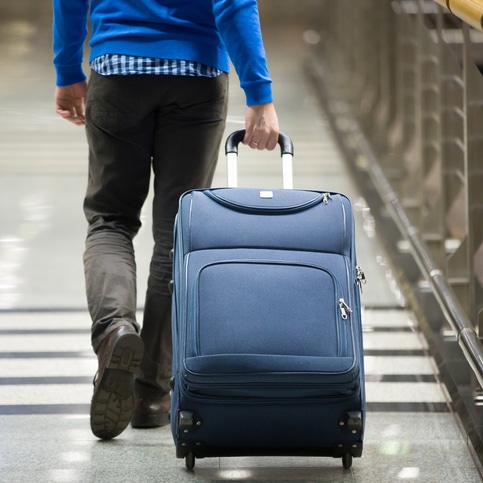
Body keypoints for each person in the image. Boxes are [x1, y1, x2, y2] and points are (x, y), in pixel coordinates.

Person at [52, 0, 279, 440]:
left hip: (117, 67)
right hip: (196, 73)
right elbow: (234, 4)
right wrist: (259, 93)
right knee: (177, 234)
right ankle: (152, 392)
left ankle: (115, 328)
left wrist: (67, 70)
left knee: (110, 220)